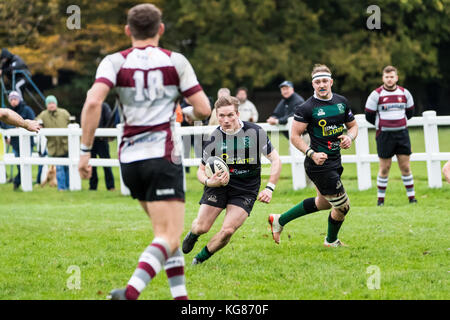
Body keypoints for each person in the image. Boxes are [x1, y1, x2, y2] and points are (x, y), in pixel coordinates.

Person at [78, 3, 211, 300]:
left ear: (128, 31)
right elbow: (204, 109)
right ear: (160, 29)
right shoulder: (175, 61)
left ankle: (181, 299)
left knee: (166, 236)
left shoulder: (114, 62)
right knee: (169, 235)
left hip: (129, 161)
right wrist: (185, 113)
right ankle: (129, 292)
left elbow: (92, 103)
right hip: (162, 156)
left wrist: (85, 151)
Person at [182, 95, 282, 264]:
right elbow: (201, 170)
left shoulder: (255, 132)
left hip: (245, 188)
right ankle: (194, 233)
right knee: (202, 227)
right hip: (217, 186)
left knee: (228, 231)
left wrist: (269, 187)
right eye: (221, 115)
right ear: (216, 115)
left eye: (230, 115)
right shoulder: (213, 138)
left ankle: (199, 260)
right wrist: (208, 182)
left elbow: (276, 160)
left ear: (237, 114)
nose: (226, 120)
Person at [268, 64, 358, 247]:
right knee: (343, 206)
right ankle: (331, 241)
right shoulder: (306, 107)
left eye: (325, 81)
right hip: (318, 164)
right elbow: (294, 136)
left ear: (331, 82)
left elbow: (353, 126)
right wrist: (312, 153)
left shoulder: (341, 102)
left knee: (323, 203)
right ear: (313, 85)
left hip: (335, 160)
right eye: (318, 82)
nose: (322, 84)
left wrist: (349, 137)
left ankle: (279, 220)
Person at [365, 65, 417, 206]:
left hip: (402, 135)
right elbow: (369, 115)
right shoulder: (376, 94)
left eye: (392, 76)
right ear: (383, 78)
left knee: (405, 167)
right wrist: (383, 124)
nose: (389, 79)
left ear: (396, 78)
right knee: (384, 168)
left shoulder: (405, 93)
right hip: (384, 135)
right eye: (387, 77)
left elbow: (410, 113)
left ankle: (412, 199)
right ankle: (380, 201)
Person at [0, 91, 36, 189]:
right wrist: (7, 136)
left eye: (15, 99)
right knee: (19, 164)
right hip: (15, 142)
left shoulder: (27, 109)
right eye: (11, 100)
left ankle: (17, 182)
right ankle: (20, 182)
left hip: (27, 141)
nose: (13, 101)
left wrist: (22, 125)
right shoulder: (8, 111)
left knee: (25, 162)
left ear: (19, 99)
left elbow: (33, 122)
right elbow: (3, 125)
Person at [36, 95, 71, 191]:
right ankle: (62, 188)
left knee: (68, 168)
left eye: (53, 103)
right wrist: (40, 125)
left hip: (66, 145)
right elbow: (36, 123)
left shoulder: (64, 113)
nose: (51, 105)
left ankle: (68, 186)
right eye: (49, 103)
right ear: (46, 105)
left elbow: (72, 124)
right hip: (53, 147)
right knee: (59, 168)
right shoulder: (43, 115)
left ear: (56, 104)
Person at [89, 102, 115, 191]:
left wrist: (104, 134)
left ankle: (110, 186)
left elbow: (109, 119)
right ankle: (92, 186)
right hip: (91, 139)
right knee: (91, 164)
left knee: (106, 163)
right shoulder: (88, 106)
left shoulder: (104, 106)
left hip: (101, 140)